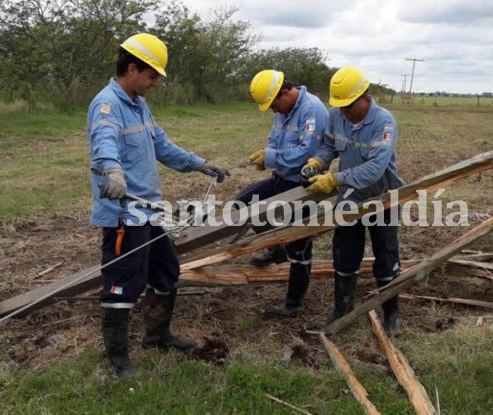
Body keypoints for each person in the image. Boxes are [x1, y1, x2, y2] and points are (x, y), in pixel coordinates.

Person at [87, 33, 229, 378]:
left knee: (166, 271)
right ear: (132, 68)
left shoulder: (139, 104)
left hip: (149, 210)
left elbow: (162, 145)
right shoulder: (107, 105)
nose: (155, 83)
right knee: (122, 283)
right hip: (125, 214)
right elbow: (103, 143)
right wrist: (113, 172)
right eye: (152, 76)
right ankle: (118, 360)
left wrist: (200, 163)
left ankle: (158, 336)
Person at [302, 66, 404, 337]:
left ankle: (391, 317)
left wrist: (335, 179)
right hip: (350, 196)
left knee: (386, 255)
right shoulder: (337, 115)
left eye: (348, 105)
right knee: (345, 254)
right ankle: (341, 313)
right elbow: (330, 146)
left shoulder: (384, 123)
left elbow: (375, 169)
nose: (344, 111)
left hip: (383, 197)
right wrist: (318, 161)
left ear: (364, 96)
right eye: (340, 106)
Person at [233, 69, 328, 317]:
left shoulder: (312, 110)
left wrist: (272, 157)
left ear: (285, 91)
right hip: (280, 178)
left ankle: (293, 304)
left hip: (301, 186)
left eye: (274, 103)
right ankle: (277, 249)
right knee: (243, 204)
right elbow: (274, 140)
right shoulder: (284, 109)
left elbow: (308, 150)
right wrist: (266, 156)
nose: (273, 110)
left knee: (299, 245)